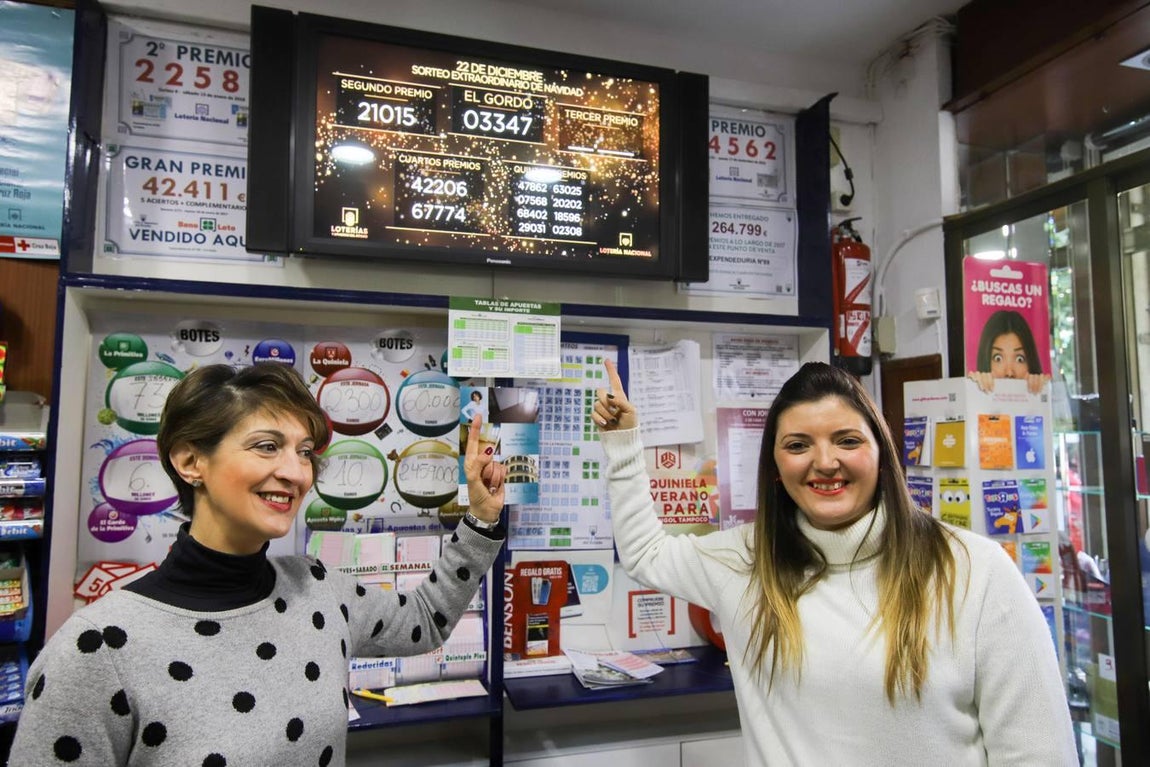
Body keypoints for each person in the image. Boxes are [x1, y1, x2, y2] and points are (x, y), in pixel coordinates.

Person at [11, 363, 507, 766]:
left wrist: (482, 517)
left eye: (305, 452)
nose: (295, 472)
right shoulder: (98, 645)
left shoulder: (316, 588)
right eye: (267, 446)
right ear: (190, 461)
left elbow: (425, 620)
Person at [591, 359, 1076, 766]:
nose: (824, 462)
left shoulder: (973, 569)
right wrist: (624, 446)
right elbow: (645, 552)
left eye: (846, 440)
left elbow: (1040, 753)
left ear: (881, 454)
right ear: (777, 470)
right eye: (798, 445)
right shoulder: (745, 562)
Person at [968, 308, 1050, 394]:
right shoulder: (974, 393)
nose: (1009, 373)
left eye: (1019, 359)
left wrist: (1039, 397)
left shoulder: (1042, 396)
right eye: (998, 358)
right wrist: (975, 392)